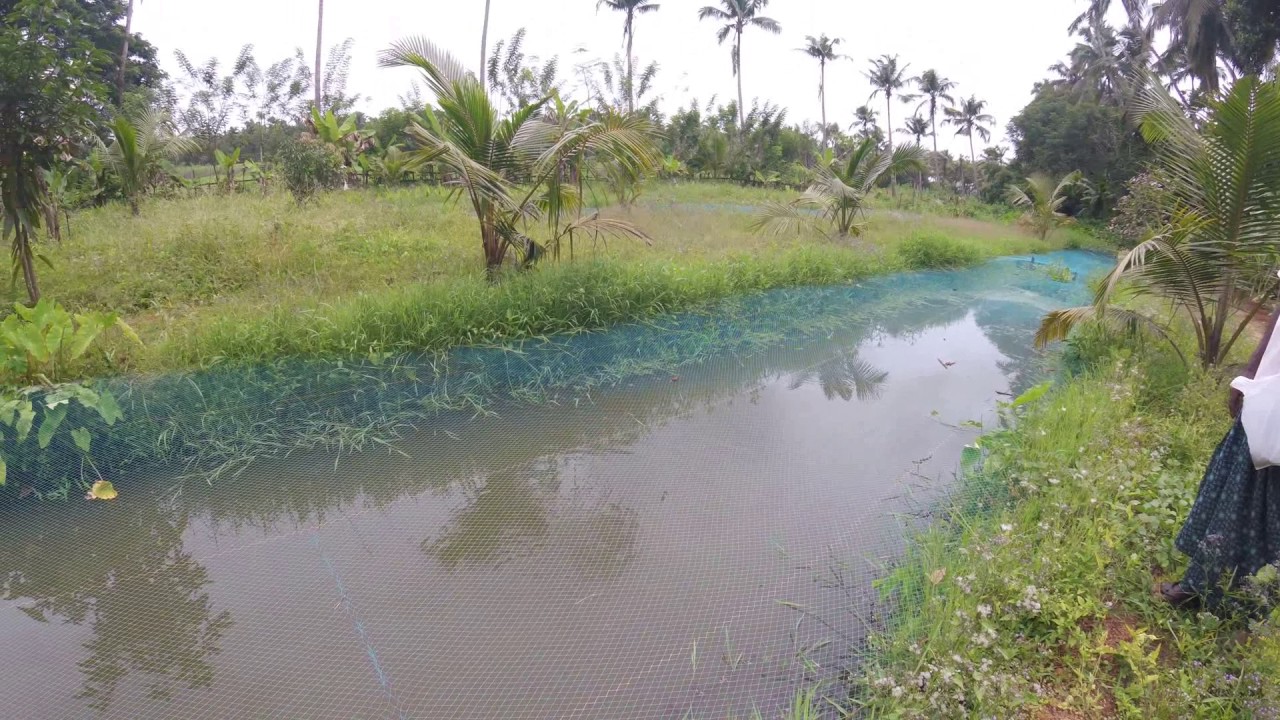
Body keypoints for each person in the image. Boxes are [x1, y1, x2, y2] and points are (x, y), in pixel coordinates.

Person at [1160, 308, 1280, 607]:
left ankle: (1211, 591)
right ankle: (1219, 589)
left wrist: (1250, 380)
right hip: (1269, 409)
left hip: (1269, 414)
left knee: (1242, 497)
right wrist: (1250, 379)